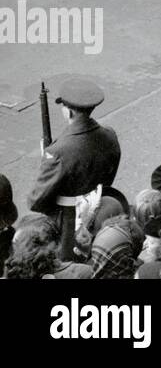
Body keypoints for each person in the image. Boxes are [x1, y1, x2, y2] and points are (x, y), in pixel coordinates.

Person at [27, 79, 122, 259]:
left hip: (68, 222)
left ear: (69, 111)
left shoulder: (58, 152)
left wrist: (46, 163)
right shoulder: (109, 135)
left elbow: (35, 201)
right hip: (100, 210)